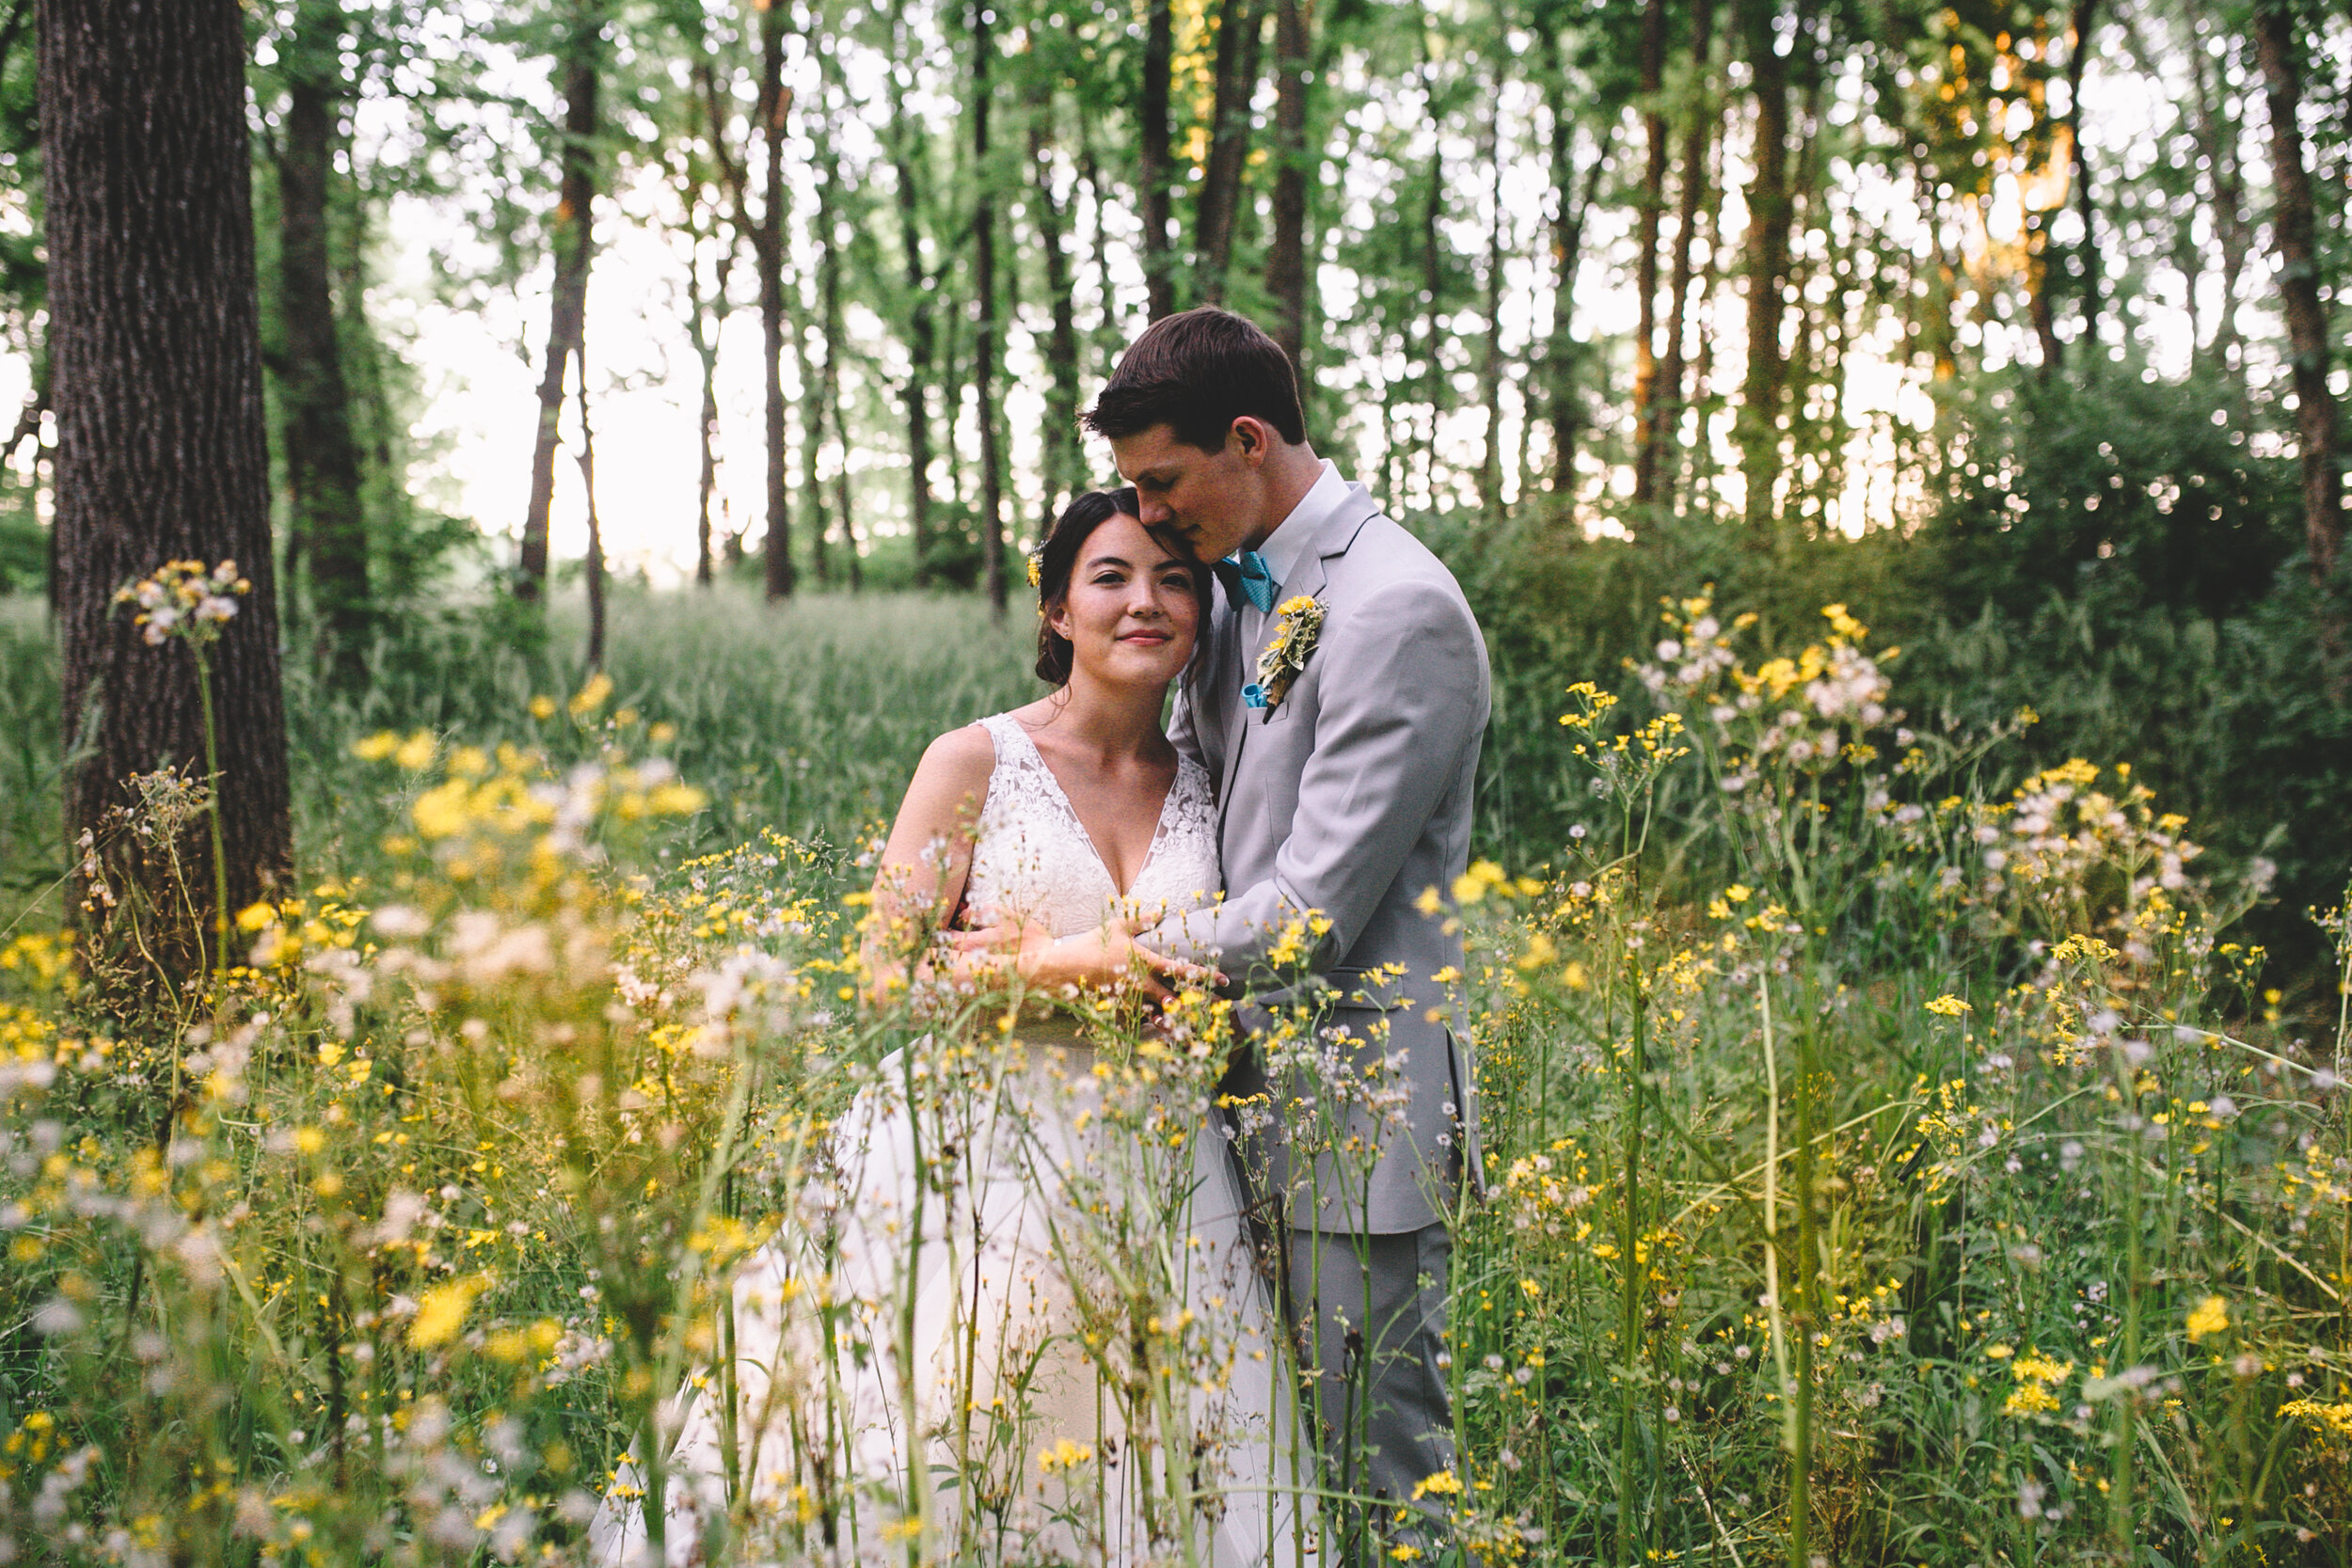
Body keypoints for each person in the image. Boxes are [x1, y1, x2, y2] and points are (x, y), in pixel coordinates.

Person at [592, 491, 1312, 1567]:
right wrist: (1074, 972)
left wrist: (1077, 966)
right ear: (1058, 608)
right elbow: (889, 974)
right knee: (944, 1425)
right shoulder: (974, 760)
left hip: (1162, 1160)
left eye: (1173, 578)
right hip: (976, 1148)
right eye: (1110, 576)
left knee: (1157, 1453)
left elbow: (1221, 968)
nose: (1145, 602)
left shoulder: (1210, 780)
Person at [976, 307, 1491, 1557]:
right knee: (1261, 1469)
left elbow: (1310, 911)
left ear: (1247, 439)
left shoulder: (1394, 608)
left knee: (1383, 1466)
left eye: (1161, 481)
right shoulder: (1241, 586)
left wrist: (1085, 957)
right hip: (1215, 1106)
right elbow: (1193, 787)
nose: (1148, 517)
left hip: (1350, 1115)